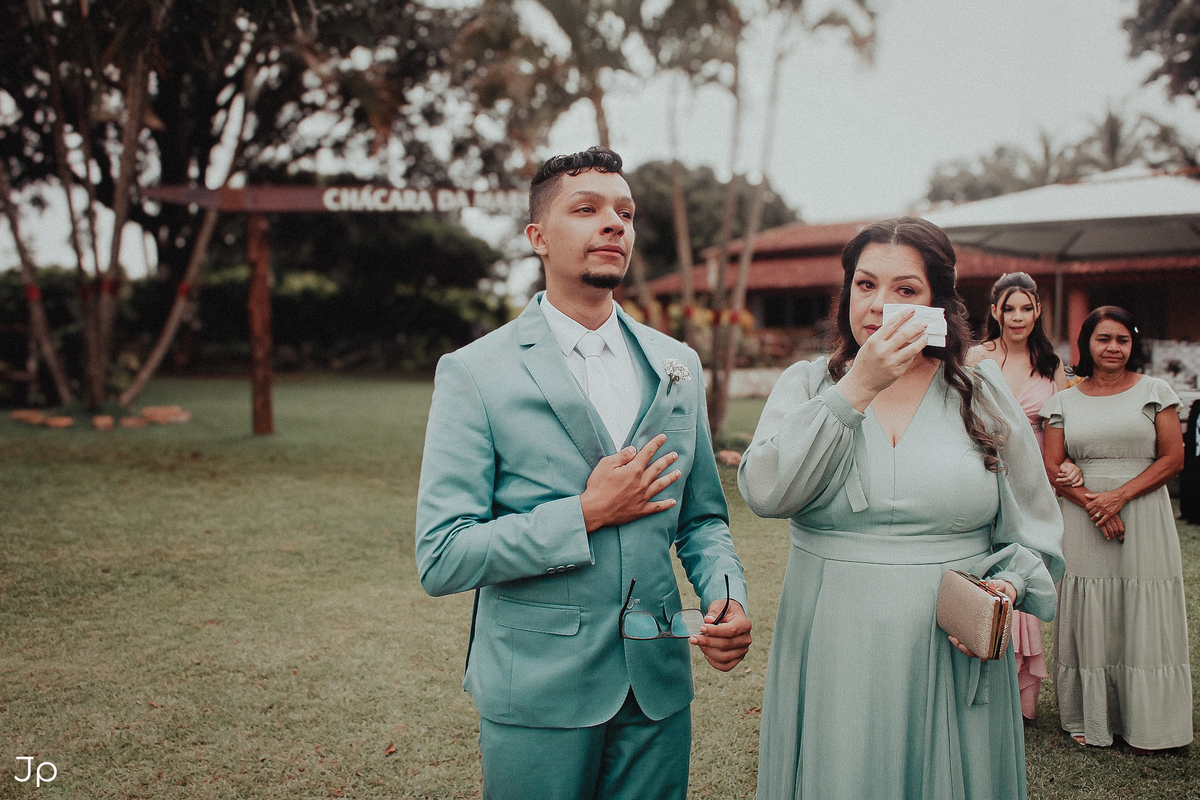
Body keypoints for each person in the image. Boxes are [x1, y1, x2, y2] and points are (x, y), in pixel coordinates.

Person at [415, 146, 752, 800]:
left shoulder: (676, 364)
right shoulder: (476, 372)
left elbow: (703, 516)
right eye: (588, 209)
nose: (614, 224)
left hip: (657, 689)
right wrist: (586, 513)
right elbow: (442, 554)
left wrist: (726, 593)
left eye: (624, 212)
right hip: (538, 690)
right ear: (538, 238)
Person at [738, 217, 1064, 799]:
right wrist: (855, 389)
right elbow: (766, 493)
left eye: (905, 290)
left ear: (939, 301)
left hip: (952, 645)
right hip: (834, 640)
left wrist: (1005, 591)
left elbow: (1035, 527)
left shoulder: (980, 389)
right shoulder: (808, 384)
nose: (879, 304)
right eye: (865, 285)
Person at [1040, 305, 1191, 753]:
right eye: (1104, 339)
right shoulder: (1063, 399)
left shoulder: (1155, 390)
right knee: (1091, 612)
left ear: (1133, 344)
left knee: (1143, 610)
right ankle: (1093, 716)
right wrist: (1093, 504)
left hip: (1142, 515)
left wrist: (1118, 498)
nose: (1113, 348)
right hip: (1084, 520)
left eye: (1122, 340)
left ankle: (1151, 722)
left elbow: (1173, 459)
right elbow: (1052, 465)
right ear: (1086, 344)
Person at [966, 272, 1076, 721]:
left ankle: (1020, 692)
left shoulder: (1052, 365)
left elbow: (1070, 424)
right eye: (1008, 308)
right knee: (987, 565)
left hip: (1033, 482)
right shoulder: (975, 357)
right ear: (994, 311)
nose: (1017, 317)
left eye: (1025, 308)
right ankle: (985, 673)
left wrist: (1073, 463)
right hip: (984, 471)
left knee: (1023, 567)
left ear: (1038, 311)